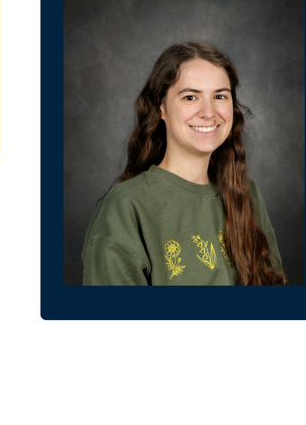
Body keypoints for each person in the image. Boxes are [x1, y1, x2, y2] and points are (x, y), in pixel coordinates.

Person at [82, 42, 285, 286]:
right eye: (190, 97)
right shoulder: (127, 206)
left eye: (220, 96)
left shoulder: (246, 191)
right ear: (161, 109)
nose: (208, 112)